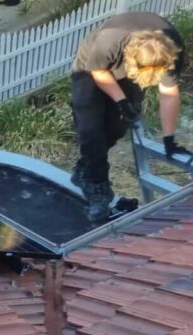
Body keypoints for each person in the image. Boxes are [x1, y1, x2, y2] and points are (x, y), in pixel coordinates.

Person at [71, 12, 188, 221]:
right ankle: (98, 186)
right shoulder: (109, 40)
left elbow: (169, 94)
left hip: (138, 62)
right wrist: (121, 101)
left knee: (118, 126)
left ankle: (84, 169)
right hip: (91, 66)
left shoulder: (171, 51)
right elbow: (98, 72)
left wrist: (169, 138)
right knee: (90, 126)